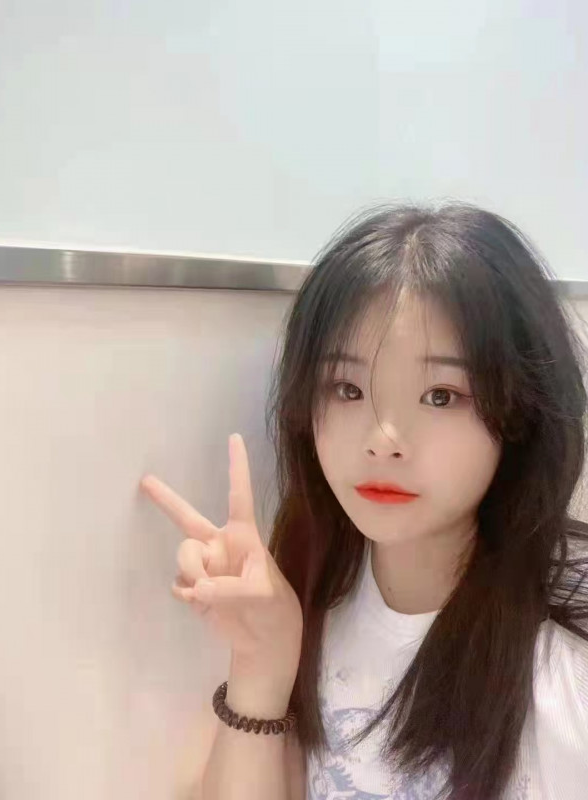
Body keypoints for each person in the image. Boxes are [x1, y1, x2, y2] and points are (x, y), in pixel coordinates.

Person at [140, 202, 588, 800]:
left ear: (521, 413)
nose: (382, 439)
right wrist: (261, 664)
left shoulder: (565, 665)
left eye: (441, 395)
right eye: (347, 388)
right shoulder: (316, 594)